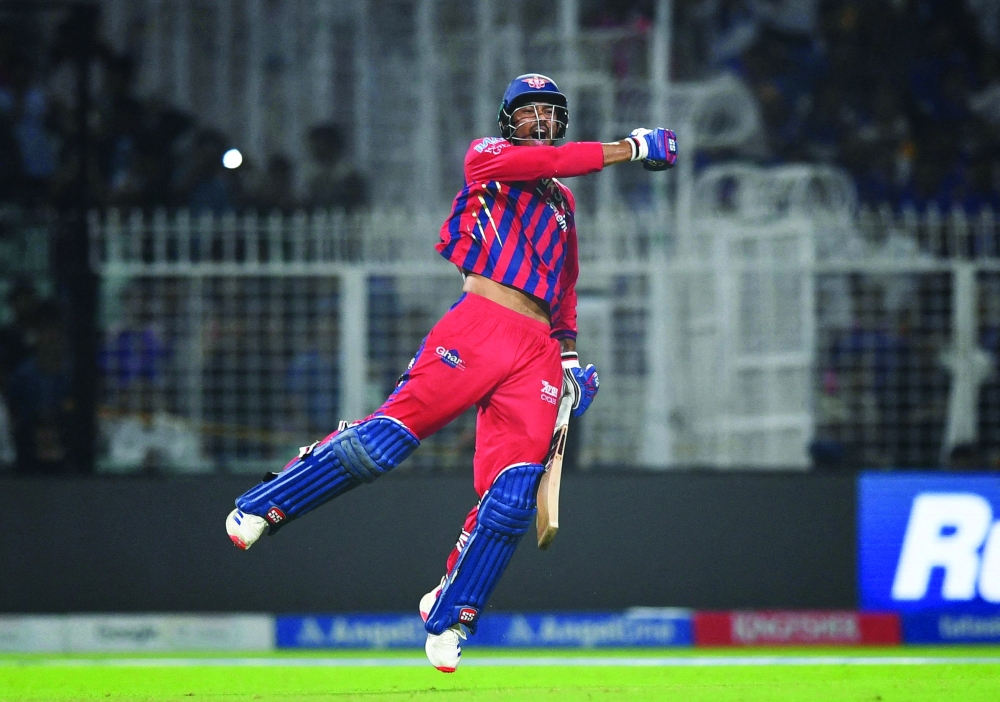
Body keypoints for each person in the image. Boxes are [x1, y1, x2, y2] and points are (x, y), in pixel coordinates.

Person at [224, 73, 677, 671]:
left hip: (537, 348)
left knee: (513, 499)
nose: (539, 120)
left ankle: (450, 612)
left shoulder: (563, 204)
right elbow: (567, 159)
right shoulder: (487, 159)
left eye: (549, 112)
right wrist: (634, 147)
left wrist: (567, 363)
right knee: (382, 446)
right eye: (528, 112)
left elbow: (565, 291)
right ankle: (265, 503)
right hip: (480, 322)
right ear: (508, 122)